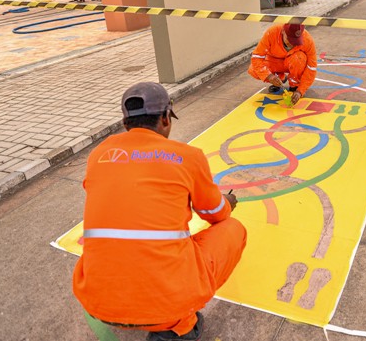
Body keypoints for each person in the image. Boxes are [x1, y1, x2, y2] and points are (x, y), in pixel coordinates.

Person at [72, 82, 247, 341]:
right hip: (166, 306)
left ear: (125, 123)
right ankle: (180, 326)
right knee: (233, 229)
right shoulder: (187, 156)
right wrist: (228, 202)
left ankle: (129, 311)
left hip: (96, 301)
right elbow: (215, 213)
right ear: (165, 118)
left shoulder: (99, 154)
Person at [248, 23, 317, 105]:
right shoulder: (272, 32)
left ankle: (294, 85)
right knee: (253, 70)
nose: (292, 44)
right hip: (274, 61)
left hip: (293, 62)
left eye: (296, 41)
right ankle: (279, 79)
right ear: (283, 31)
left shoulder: (307, 39)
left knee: (299, 58)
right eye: (290, 39)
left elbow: (311, 67)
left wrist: (300, 90)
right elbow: (256, 57)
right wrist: (269, 76)